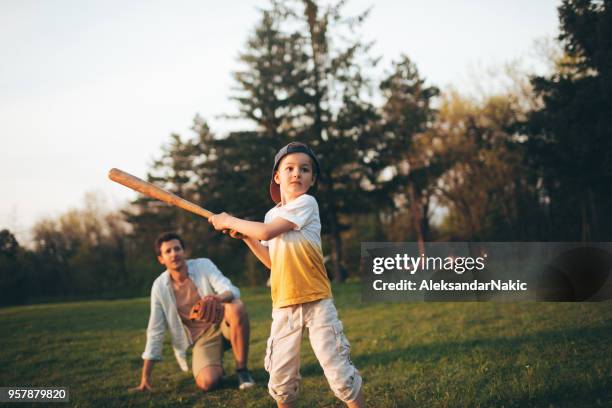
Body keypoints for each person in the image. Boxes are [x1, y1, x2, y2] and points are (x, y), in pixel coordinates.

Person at [209, 142, 365, 408]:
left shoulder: (306, 203)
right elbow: (272, 261)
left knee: (339, 373)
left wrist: (229, 220)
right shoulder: (271, 215)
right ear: (277, 177)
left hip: (316, 301)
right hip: (284, 304)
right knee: (281, 380)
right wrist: (246, 237)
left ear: (312, 179)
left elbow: (268, 233)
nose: (297, 174)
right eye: (289, 168)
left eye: (304, 170)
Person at [130, 232, 255, 393]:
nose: (174, 253)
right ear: (161, 259)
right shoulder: (159, 287)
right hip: (202, 339)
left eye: (177, 249)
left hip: (224, 324)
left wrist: (217, 298)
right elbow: (155, 331)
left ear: (184, 252)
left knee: (236, 307)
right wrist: (145, 378)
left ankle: (242, 371)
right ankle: (215, 367)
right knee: (207, 382)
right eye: (168, 251)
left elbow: (230, 289)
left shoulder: (203, 265)